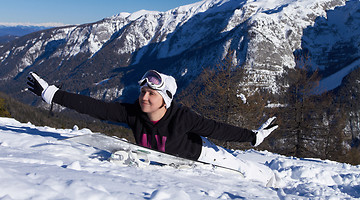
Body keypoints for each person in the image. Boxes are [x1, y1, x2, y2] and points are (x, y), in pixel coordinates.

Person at [26, 70, 278, 180]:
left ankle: (272, 180)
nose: (144, 97)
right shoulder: (133, 113)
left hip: (207, 156)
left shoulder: (182, 117)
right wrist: (52, 94)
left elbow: (217, 129)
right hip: (171, 161)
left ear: (165, 99)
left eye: (151, 94)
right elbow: (96, 107)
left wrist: (252, 137)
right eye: (143, 91)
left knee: (249, 174)